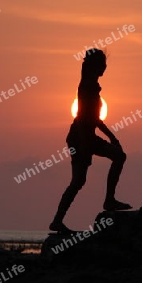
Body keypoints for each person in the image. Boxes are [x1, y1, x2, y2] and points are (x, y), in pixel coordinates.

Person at [49, 48, 132, 233]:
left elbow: (95, 119)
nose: (105, 67)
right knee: (80, 180)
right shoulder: (88, 86)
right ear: (96, 66)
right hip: (80, 139)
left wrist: (111, 137)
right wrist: (87, 145)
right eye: (103, 64)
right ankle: (107, 201)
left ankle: (108, 200)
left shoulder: (91, 85)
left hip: (84, 137)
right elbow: (83, 118)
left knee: (116, 158)